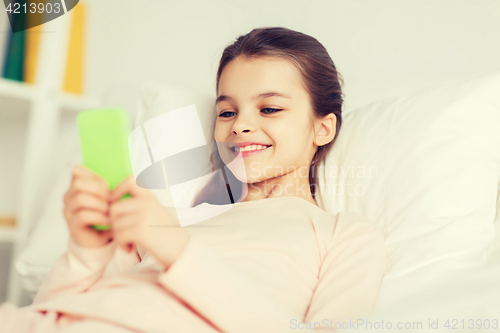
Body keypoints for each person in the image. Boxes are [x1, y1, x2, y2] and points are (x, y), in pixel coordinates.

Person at [0, 26, 386, 333]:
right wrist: (85, 252)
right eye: (226, 112)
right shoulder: (164, 215)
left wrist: (176, 249)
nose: (241, 126)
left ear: (323, 128)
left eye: (269, 108)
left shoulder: (344, 235)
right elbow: (52, 313)